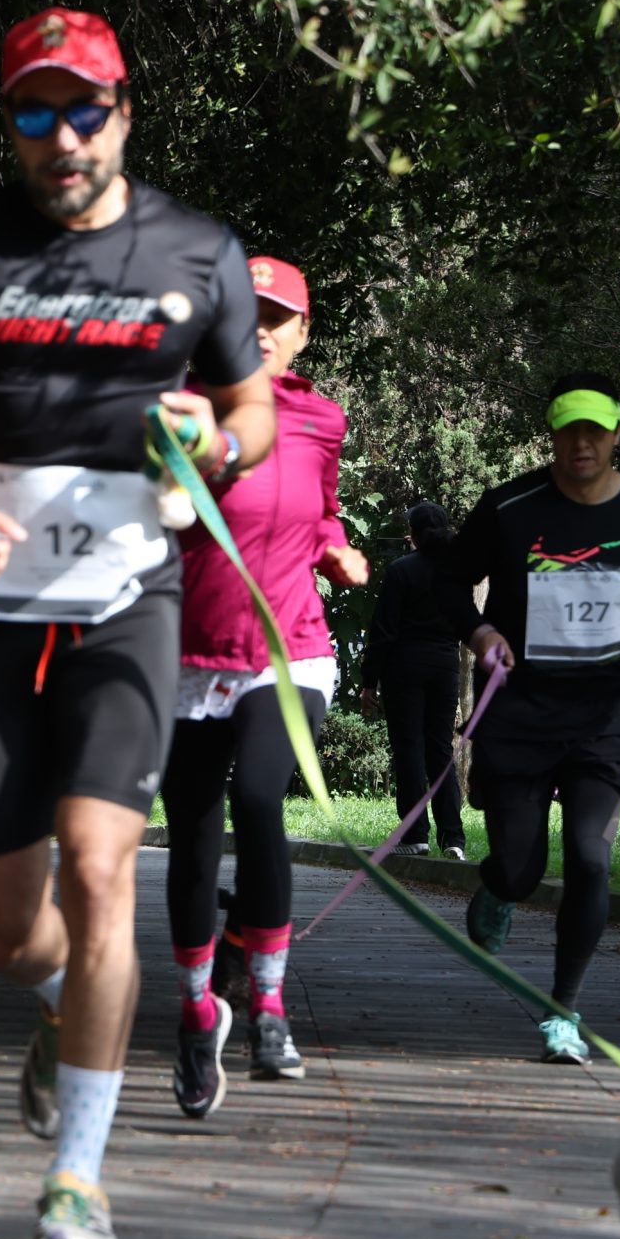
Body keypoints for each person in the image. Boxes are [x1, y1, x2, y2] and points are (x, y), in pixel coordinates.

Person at [0, 7, 278, 1239]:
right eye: (34, 113)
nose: (62, 136)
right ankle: (56, 1010)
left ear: (123, 112)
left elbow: (249, 406)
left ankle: (77, 1182)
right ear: (10, 126)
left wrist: (215, 443)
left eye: (83, 108)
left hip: (127, 607)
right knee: (4, 928)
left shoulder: (196, 251)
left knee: (99, 875)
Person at [160, 256, 366, 1116]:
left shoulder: (322, 420)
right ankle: (199, 1005)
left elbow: (317, 507)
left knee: (260, 793)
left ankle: (271, 1007)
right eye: (246, 316)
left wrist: (335, 546)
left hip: (290, 652)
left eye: (278, 318)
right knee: (194, 835)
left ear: (303, 332)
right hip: (188, 659)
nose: (261, 332)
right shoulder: (177, 410)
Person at [444, 372, 620, 1063]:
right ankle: (498, 888)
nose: (581, 442)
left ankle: (564, 1010)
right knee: (523, 869)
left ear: (619, 433)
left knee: (591, 857)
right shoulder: (511, 508)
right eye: (568, 429)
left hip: (603, 719)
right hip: (520, 715)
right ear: (551, 434)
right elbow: (447, 581)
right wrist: (481, 633)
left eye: (595, 429)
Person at [364, 502, 469, 859]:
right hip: (444, 665)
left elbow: (383, 631)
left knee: (409, 748)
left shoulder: (400, 571)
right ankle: (453, 838)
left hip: (404, 666)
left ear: (414, 533)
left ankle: (415, 835)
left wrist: (368, 681)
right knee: (440, 749)